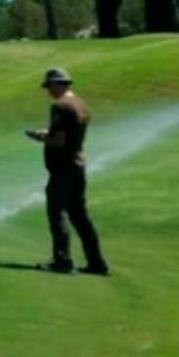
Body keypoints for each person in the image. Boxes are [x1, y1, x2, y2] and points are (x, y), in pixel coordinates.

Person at [25, 68, 109, 275]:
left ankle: (62, 260)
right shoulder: (80, 104)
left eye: (49, 86)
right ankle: (97, 262)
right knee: (80, 216)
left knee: (57, 212)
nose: (48, 92)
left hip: (62, 167)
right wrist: (46, 133)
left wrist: (39, 137)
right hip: (77, 165)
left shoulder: (60, 106)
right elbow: (68, 134)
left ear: (57, 84)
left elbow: (59, 140)